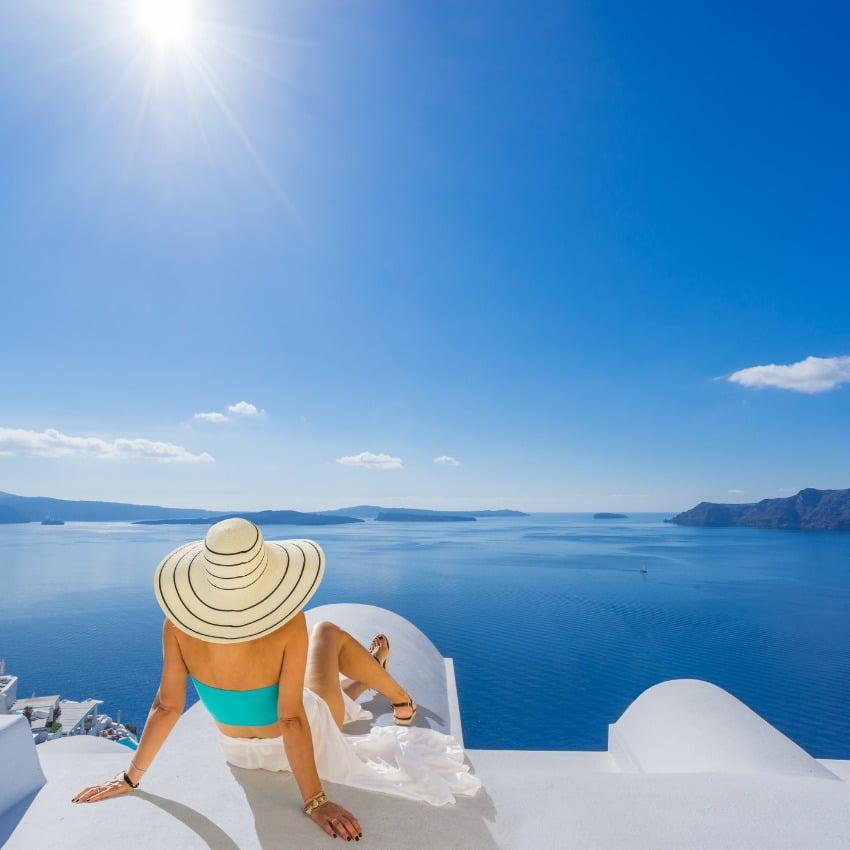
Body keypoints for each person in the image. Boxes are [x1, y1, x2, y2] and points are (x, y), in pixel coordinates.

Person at [72, 518, 479, 839]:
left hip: (237, 752)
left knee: (318, 688)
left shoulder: (177, 625)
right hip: (296, 745)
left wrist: (130, 779)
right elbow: (291, 719)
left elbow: (166, 706)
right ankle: (400, 699)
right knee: (328, 634)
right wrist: (316, 801)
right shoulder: (288, 625)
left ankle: (365, 681)